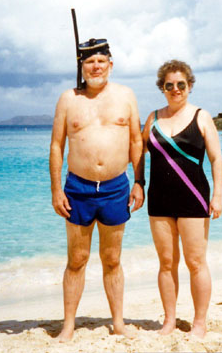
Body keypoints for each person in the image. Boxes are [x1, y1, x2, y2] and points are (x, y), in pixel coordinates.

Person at [49, 38, 145, 341]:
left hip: (116, 187)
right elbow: (56, 145)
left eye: (101, 61)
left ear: (111, 65)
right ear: (81, 66)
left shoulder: (126, 96)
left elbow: (135, 142)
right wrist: (56, 189)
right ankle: (68, 326)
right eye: (89, 62)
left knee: (112, 259)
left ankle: (118, 322)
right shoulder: (69, 98)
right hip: (77, 188)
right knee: (77, 259)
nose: (95, 67)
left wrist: (140, 182)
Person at [140, 59, 222, 338]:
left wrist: (218, 195)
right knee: (166, 262)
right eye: (169, 85)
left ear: (189, 86)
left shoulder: (201, 116)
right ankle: (169, 321)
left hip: (194, 198)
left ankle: (199, 322)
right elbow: (137, 152)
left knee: (196, 262)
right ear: (162, 87)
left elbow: (216, 158)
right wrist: (137, 182)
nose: (175, 89)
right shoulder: (153, 118)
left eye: (181, 84)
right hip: (159, 200)